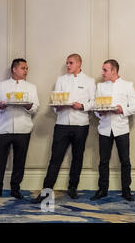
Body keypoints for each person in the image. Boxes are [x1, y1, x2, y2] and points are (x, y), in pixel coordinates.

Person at [33, 53, 95, 203]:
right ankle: (46, 191)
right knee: (55, 159)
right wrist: (57, 107)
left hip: (81, 124)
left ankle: (72, 188)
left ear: (79, 64)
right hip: (62, 124)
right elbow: (56, 100)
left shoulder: (89, 81)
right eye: (67, 63)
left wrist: (82, 106)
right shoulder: (60, 80)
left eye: (71, 63)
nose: (68, 66)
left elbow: (93, 102)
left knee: (77, 158)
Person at [0, 59, 39, 200]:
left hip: (23, 129)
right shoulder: (0, 86)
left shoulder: (31, 87)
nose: (26, 70)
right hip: (4, 128)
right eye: (23, 68)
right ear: (14, 69)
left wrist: (28, 106)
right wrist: (1, 106)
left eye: (26, 68)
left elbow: (35, 107)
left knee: (20, 160)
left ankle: (15, 188)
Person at [90, 59, 135, 201]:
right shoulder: (100, 86)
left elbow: (134, 107)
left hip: (121, 128)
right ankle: (102, 190)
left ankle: (126, 190)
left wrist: (123, 109)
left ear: (114, 71)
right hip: (104, 128)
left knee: (125, 161)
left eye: (105, 70)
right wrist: (100, 113)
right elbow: (96, 108)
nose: (103, 73)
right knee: (103, 161)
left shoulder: (128, 85)